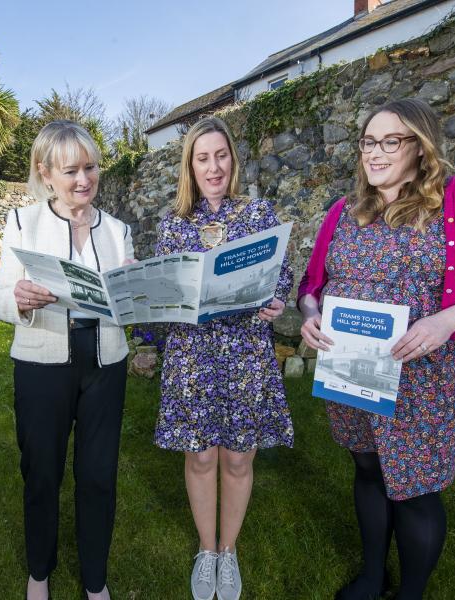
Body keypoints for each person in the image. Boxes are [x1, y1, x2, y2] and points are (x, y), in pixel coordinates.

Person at [298, 98, 455, 600]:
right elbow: (311, 283)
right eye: (368, 142)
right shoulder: (343, 211)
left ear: (420, 147)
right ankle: (373, 577)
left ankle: (411, 592)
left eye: (391, 141)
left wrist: (447, 320)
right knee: (367, 468)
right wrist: (311, 316)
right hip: (353, 372)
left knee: (416, 488)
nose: (375, 153)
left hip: (424, 374)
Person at [0, 120, 133, 600]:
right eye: (71, 170)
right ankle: (39, 571)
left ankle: (95, 579)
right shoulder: (21, 222)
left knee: (98, 475)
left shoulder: (118, 229)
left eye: (90, 167)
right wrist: (19, 298)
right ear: (44, 172)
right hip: (41, 363)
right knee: (42, 471)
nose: (83, 180)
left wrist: (136, 287)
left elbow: (130, 307)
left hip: (105, 363)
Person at [154, 116, 294, 600]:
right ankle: (206, 549)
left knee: (237, 458)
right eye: (202, 158)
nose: (213, 167)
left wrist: (277, 298)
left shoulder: (257, 215)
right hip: (193, 356)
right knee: (200, 455)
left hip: (245, 354)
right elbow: (163, 292)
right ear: (189, 167)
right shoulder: (174, 225)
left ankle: (228, 551)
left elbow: (283, 275)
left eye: (221, 155)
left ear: (232, 159)